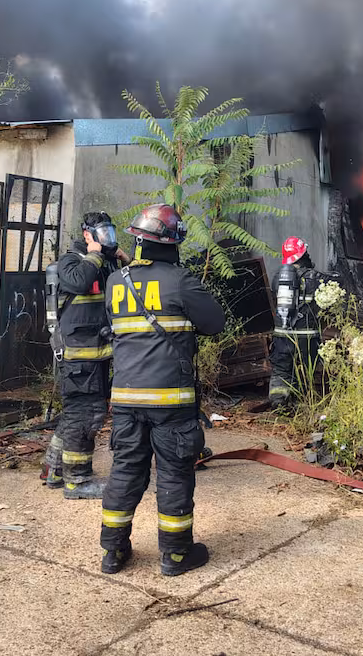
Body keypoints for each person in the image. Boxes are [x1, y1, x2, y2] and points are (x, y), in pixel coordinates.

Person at [98, 204, 226, 577]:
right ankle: (175, 555)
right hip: (171, 401)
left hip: (124, 399)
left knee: (125, 471)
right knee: (173, 475)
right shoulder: (180, 280)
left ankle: (113, 552)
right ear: (173, 242)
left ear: (138, 241)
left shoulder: (115, 281)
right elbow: (214, 323)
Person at [39, 211, 129, 499]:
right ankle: (77, 480)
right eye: (103, 233)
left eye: (110, 232)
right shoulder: (71, 261)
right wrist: (94, 253)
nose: (108, 238)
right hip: (78, 357)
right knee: (87, 416)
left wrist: (123, 258)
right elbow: (78, 282)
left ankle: (53, 469)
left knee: (76, 415)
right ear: (88, 234)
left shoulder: (103, 263)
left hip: (97, 355)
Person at [268, 237, 326, 408]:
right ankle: (302, 405)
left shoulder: (278, 277)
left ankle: (279, 403)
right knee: (306, 371)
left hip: (282, 336)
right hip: (306, 338)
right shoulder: (314, 278)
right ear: (303, 255)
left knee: (281, 371)